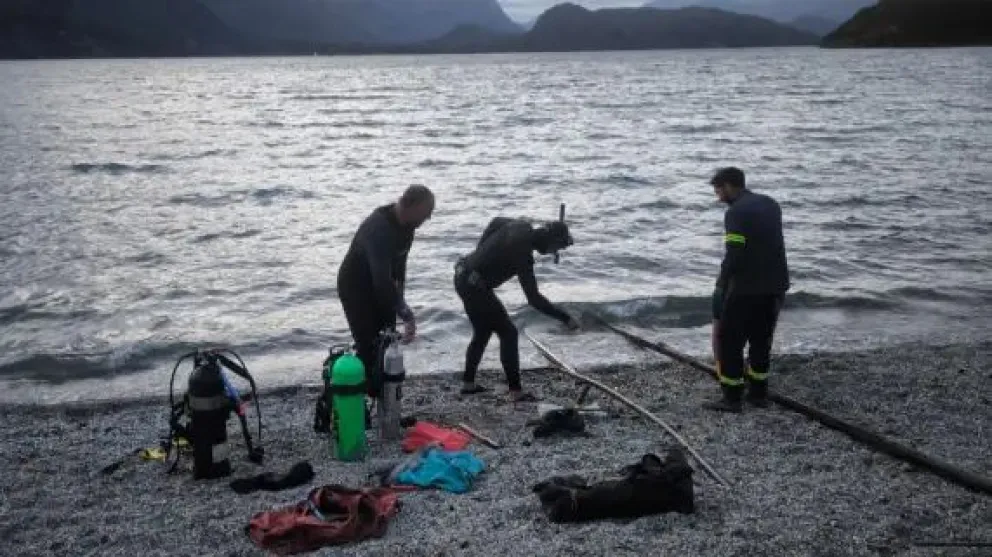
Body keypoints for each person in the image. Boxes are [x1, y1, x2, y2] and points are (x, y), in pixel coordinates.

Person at [454, 217, 580, 402]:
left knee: (483, 330)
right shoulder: (523, 255)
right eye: (556, 247)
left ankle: (468, 385)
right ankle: (515, 391)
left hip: (463, 274)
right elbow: (534, 299)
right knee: (509, 333)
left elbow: (494, 222)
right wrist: (565, 318)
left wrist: (480, 253)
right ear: (549, 240)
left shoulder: (521, 225)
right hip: (474, 287)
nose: (553, 252)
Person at [704, 167, 790, 413]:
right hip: (775, 285)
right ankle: (758, 394)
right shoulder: (771, 205)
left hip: (746, 289)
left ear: (730, 186)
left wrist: (722, 283)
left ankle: (732, 398)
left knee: (730, 342)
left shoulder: (736, 213)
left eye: (719, 190)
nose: (718, 196)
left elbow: (735, 254)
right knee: (761, 340)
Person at [337, 185, 434, 398]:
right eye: (426, 213)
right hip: (355, 287)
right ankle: (357, 400)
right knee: (369, 346)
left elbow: (398, 272)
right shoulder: (379, 229)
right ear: (412, 206)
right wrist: (406, 314)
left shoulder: (408, 226)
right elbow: (381, 279)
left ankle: (384, 402)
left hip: (380, 284)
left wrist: (401, 303)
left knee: (387, 342)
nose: (428, 218)